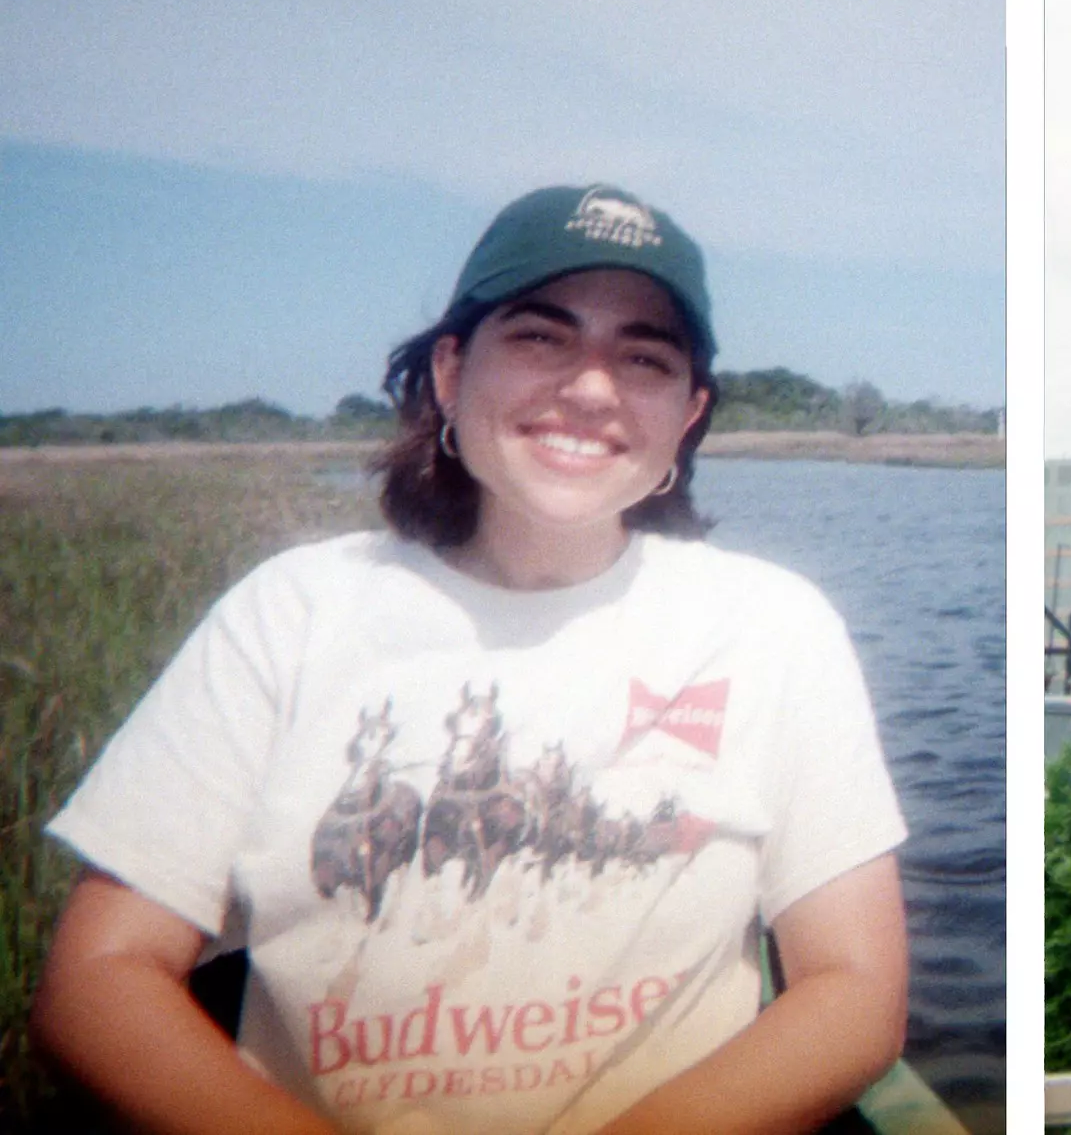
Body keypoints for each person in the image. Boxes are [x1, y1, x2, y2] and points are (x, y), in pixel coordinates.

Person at [31, 185, 909, 1135]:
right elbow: (100, 974)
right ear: (450, 370)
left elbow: (854, 989)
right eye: (540, 337)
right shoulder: (292, 611)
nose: (590, 387)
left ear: (689, 413)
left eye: (644, 357)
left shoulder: (772, 624)